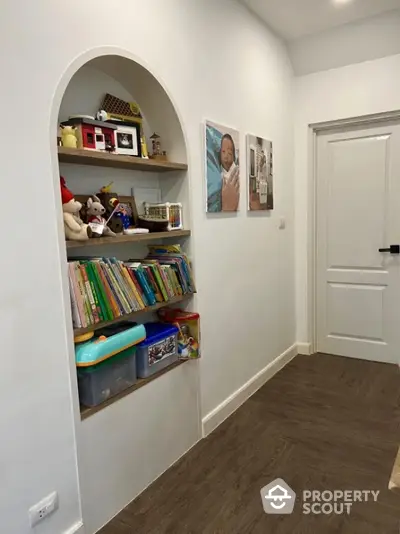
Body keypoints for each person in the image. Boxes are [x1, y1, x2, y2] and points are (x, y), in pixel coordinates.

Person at [220, 134, 240, 211]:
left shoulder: (239, 173)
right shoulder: (218, 174)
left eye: (229, 152)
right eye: (223, 152)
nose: (226, 155)